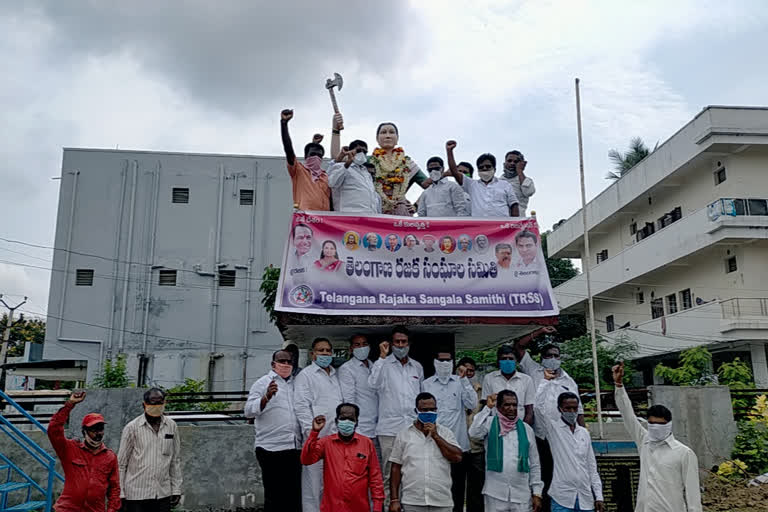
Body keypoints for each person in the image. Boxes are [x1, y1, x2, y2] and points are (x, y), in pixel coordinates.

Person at [612, 363, 702, 512]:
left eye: (660, 424)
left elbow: (693, 494)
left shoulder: (683, 453)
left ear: (669, 424)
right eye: (651, 423)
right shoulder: (644, 441)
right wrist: (618, 385)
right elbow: (628, 415)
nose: (655, 427)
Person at [514, 328, 584, 510]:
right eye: (548, 355)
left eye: (556, 355)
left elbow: (579, 411)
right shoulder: (532, 370)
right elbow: (518, 346)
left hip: (563, 437)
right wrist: (539, 331)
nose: (552, 358)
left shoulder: (569, 381)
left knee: (561, 474)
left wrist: (582, 434)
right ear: (541, 357)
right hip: (540, 435)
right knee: (541, 473)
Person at [368, 326, 424, 506]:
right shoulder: (383, 364)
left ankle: (408, 507)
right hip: (389, 429)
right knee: (389, 473)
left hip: (412, 428)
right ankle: (388, 507)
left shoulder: (417, 366)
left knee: (411, 471)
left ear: (409, 343)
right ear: (390, 344)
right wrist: (382, 357)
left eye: (404, 342)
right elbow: (373, 384)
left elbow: (421, 397)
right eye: (397, 342)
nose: (400, 345)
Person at [244, 350, 302, 512]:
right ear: (273, 364)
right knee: (275, 497)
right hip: (271, 449)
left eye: (289, 362)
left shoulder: (295, 384)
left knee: (294, 496)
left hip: (294, 448)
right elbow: (248, 411)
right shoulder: (263, 383)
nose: (285, 365)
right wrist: (266, 397)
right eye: (281, 361)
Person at [468, 390, 544, 512]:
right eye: (507, 405)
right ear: (498, 407)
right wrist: (487, 408)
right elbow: (473, 432)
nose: (511, 408)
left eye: (514, 405)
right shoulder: (490, 423)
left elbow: (535, 464)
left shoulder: (526, 429)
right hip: (495, 493)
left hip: (521, 494)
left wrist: (537, 493)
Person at [422, 351, 478, 512]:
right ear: (434, 362)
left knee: (458, 490)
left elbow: (472, 404)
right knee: (437, 488)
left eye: (448, 360)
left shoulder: (460, 382)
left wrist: (464, 379)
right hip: (435, 445)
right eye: (441, 360)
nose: (445, 363)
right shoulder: (427, 384)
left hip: (458, 445)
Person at [301, 404, 385, 512]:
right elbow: (306, 460)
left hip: (359, 508)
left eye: (351, 419)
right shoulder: (326, 443)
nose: (346, 421)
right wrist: (314, 433)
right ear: (336, 421)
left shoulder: (366, 443)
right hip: (332, 508)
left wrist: (377, 507)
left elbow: (375, 478)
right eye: (343, 418)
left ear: (356, 422)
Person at [389, 392, 464, 512]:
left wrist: (436, 436)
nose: (429, 413)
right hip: (412, 501)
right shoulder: (404, 435)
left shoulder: (446, 433)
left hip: (441, 501)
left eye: (432, 409)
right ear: (416, 411)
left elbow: (457, 457)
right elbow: (395, 468)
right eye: (424, 410)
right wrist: (394, 500)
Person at [48, 390, 120, 512]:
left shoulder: (110, 457)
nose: (98, 433)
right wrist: (70, 404)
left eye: (100, 429)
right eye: (93, 429)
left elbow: (114, 488)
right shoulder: (70, 449)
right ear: (84, 431)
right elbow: (53, 430)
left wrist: (112, 509)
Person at [293, 337, 344, 512]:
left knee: (332, 483)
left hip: (336, 439)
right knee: (313, 486)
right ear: (312, 354)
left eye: (328, 350)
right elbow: (301, 406)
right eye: (320, 350)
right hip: (316, 439)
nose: (325, 353)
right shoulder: (305, 375)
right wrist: (311, 435)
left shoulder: (335, 374)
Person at [536, 392, 603, 512]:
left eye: (575, 408)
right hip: (562, 497)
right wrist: (546, 382)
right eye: (568, 408)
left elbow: (592, 467)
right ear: (560, 409)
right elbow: (538, 408)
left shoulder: (584, 433)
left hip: (585, 498)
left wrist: (599, 496)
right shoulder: (553, 429)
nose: (572, 412)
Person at [118, 388, 182, 512]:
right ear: (144, 404)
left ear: (164, 403)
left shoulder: (171, 426)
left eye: (159, 402)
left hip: (162, 493)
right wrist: (121, 493)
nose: (156, 406)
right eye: (153, 403)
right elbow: (121, 463)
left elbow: (175, 460)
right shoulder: (132, 428)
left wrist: (176, 489)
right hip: (136, 495)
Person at [370, 122, 431, 215]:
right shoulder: (368, 161)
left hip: (400, 213)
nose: (388, 136)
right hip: (374, 209)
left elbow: (432, 187)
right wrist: (338, 132)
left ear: (397, 139)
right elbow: (340, 161)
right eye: (383, 132)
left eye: (391, 132)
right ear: (377, 139)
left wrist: (417, 205)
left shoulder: (407, 164)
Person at [446, 140, 520, 218]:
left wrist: (514, 226)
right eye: (481, 167)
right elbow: (454, 171)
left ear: (494, 169)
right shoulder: (472, 185)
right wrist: (449, 151)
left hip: (501, 227)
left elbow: (514, 204)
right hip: (480, 228)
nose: (484, 168)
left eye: (488, 166)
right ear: (478, 170)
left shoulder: (505, 185)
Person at [280, 109, 330, 211]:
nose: (316, 157)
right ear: (306, 156)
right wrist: (284, 124)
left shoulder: (325, 177)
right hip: (305, 219)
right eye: (313, 154)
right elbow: (288, 150)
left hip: (324, 220)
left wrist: (314, 144)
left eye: (319, 156)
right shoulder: (298, 171)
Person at [337, 334, 379, 443]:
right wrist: (354, 426)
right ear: (351, 349)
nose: (362, 347)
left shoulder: (374, 365)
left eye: (364, 344)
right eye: (357, 345)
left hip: (378, 426)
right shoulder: (347, 369)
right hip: (361, 428)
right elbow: (349, 400)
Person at [458, 357, 486, 512]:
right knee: (456, 485)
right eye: (464, 370)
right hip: (457, 445)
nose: (467, 373)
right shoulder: (452, 387)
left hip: (477, 446)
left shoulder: (481, 390)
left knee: (477, 487)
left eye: (471, 371)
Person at [481, 345, 535, 426]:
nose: (507, 361)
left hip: (519, 425)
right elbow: (486, 405)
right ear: (498, 361)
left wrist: (523, 429)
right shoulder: (489, 378)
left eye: (510, 358)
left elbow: (529, 410)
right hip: (496, 426)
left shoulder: (526, 380)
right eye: (504, 359)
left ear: (516, 361)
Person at [328, 140, 382, 214]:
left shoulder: (366, 172)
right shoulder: (339, 166)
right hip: (348, 217)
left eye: (365, 152)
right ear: (350, 151)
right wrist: (347, 165)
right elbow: (332, 183)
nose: (362, 154)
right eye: (359, 150)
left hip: (369, 217)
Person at [502, 151, 536, 217]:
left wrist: (520, 171)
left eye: (516, 162)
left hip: (518, 222)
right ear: (504, 163)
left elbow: (529, 192)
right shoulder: (497, 182)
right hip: (500, 222)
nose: (512, 163)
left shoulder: (526, 180)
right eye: (509, 161)